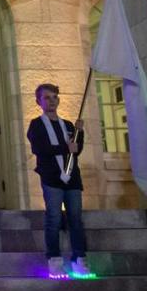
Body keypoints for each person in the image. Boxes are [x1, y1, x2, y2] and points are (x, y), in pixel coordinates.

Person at [26, 83, 91, 279]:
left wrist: (81, 132)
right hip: (52, 177)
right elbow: (40, 149)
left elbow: (76, 150)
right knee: (53, 219)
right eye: (47, 97)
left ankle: (79, 258)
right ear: (39, 101)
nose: (52, 100)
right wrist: (65, 148)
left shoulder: (68, 125)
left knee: (76, 219)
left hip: (72, 178)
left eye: (54, 97)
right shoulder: (37, 124)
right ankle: (54, 259)